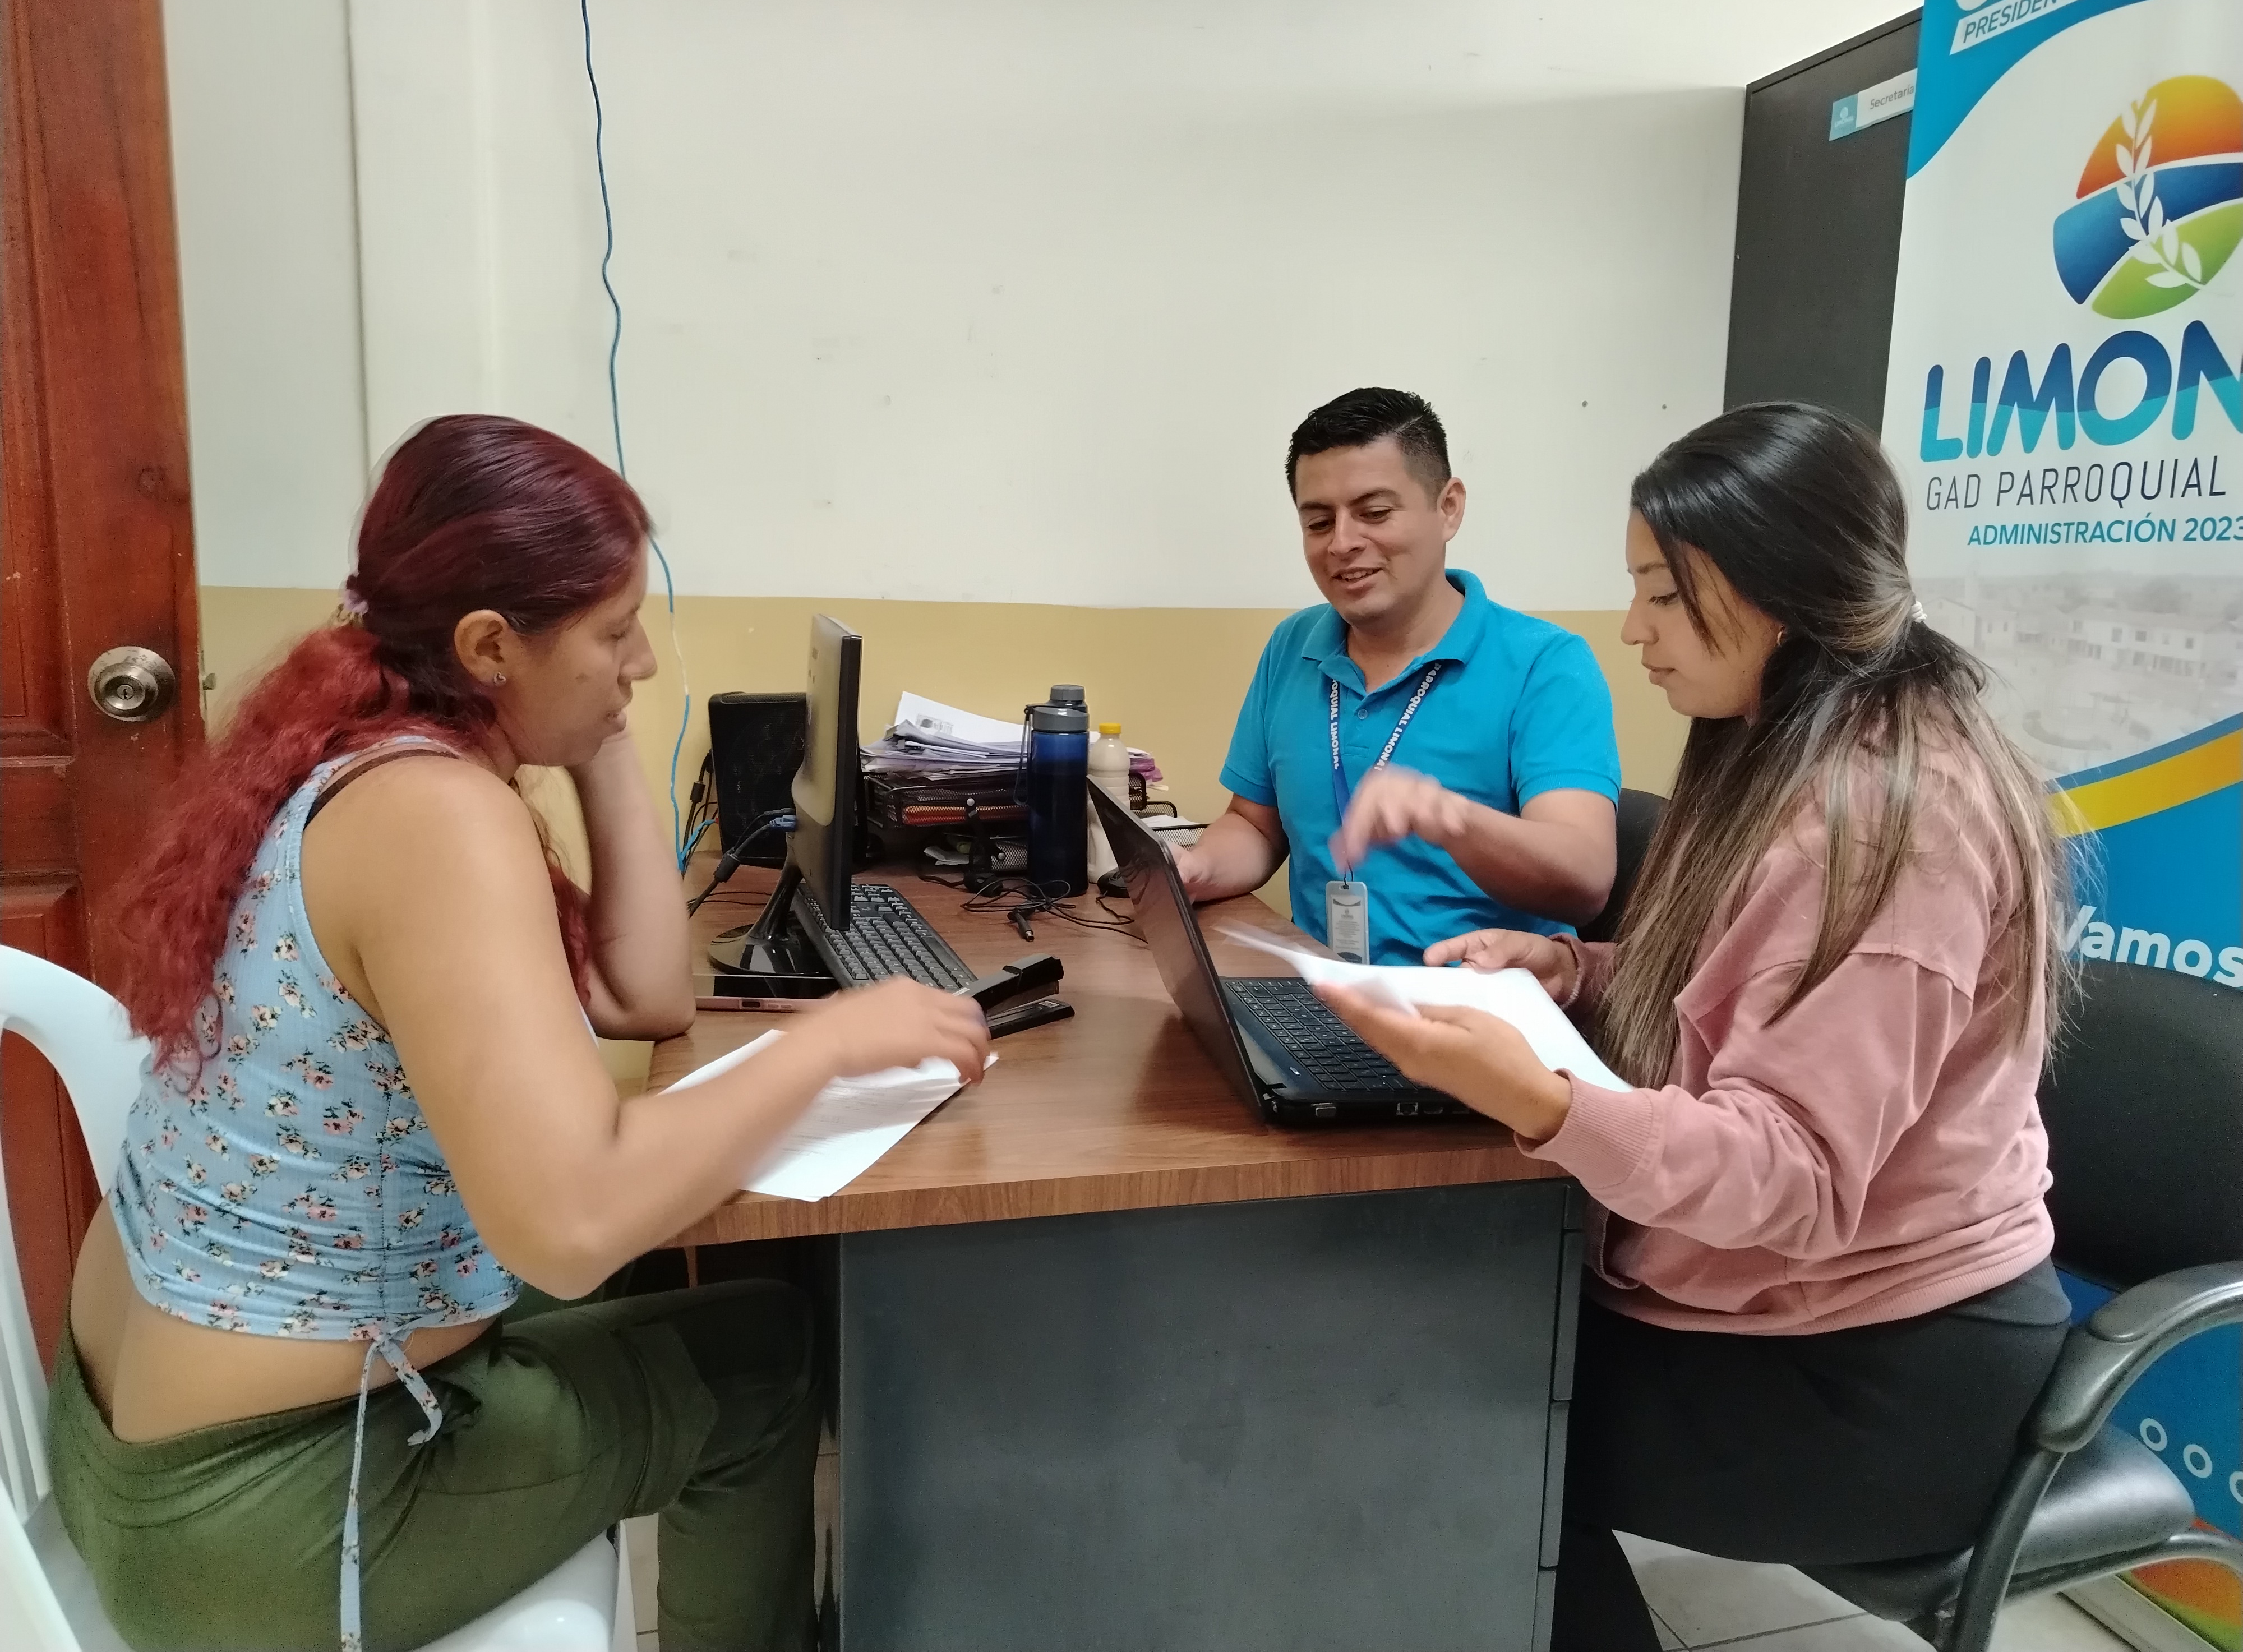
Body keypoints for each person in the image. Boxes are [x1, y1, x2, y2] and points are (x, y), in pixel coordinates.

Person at [51, 416, 990, 1652]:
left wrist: (598, 734)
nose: (640, 663)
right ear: (490, 646)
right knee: (760, 1359)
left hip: (136, 1450)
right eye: (614, 633)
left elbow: (644, 999)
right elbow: (571, 1230)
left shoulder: (346, 749)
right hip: (266, 1518)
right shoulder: (436, 819)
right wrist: (833, 1041)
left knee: (688, 1268)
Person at [1314, 403, 2073, 1652]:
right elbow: (1751, 987)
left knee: (1447, 1417)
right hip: (1785, 1305)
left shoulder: (1890, 822)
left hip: (1882, 1370)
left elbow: (1793, 1175)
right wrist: (1570, 969)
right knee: (1420, 1350)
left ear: (1778, 595)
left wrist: (1545, 1102)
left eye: (1662, 595)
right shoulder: (1787, 744)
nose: (1634, 629)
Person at [1176, 386, 1620, 966]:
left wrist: (1451, 818)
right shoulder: (1292, 646)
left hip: (1476, 1002)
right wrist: (1197, 869)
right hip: (1324, 995)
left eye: (1374, 513)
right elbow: (1254, 826)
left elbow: (1585, 878)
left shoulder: (1546, 664)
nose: (1342, 543)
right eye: (1318, 522)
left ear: (1448, 507)